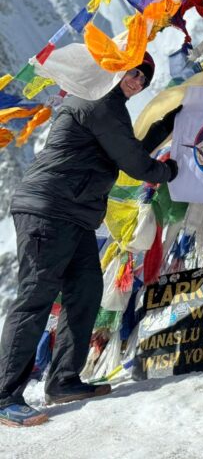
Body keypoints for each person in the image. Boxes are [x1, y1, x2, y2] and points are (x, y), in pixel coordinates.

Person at [0, 53, 182, 427]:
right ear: (115, 69)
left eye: (144, 79)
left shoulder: (108, 107)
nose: (136, 82)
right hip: (50, 209)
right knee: (35, 298)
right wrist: (169, 171)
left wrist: (168, 123)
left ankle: (64, 379)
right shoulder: (98, 100)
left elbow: (125, 149)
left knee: (84, 292)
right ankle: (4, 395)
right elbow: (134, 161)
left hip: (74, 215)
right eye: (132, 73)